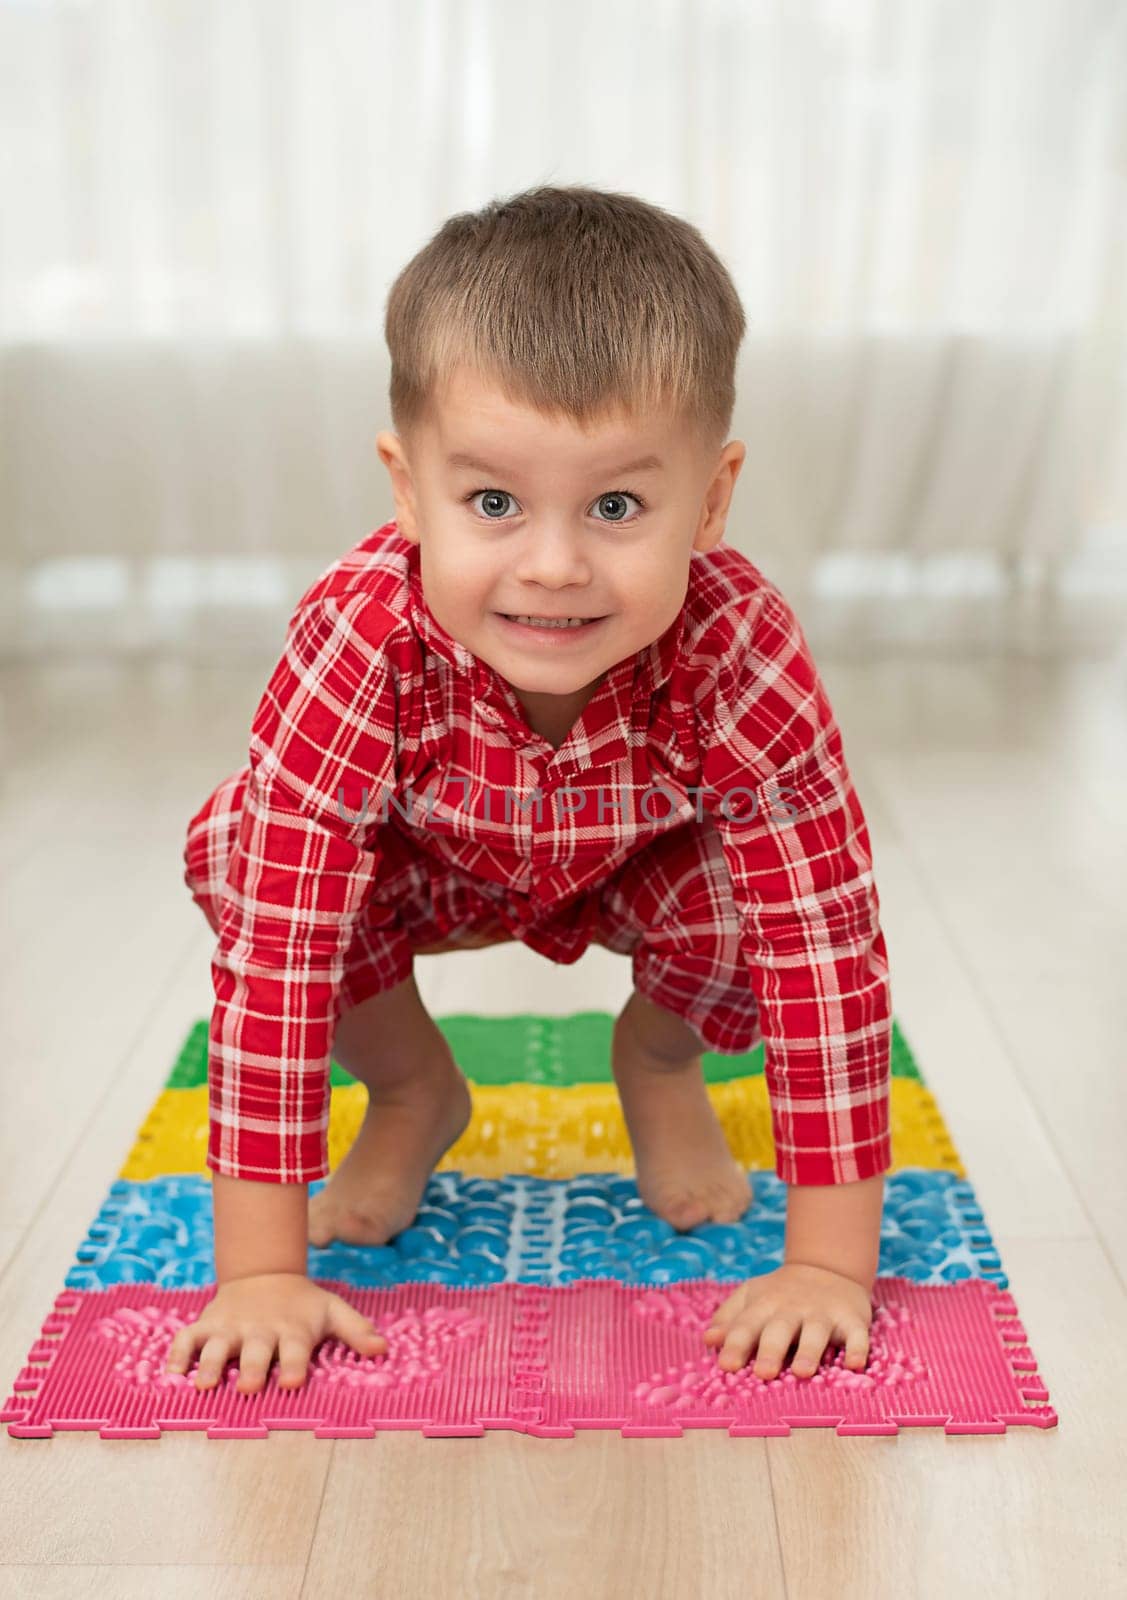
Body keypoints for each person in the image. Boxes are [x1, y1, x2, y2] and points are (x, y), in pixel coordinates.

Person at [165, 184, 891, 1398]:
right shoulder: (358, 640)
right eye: (492, 503)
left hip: (642, 878)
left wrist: (826, 1267)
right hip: (431, 870)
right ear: (408, 489)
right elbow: (283, 940)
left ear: (708, 500)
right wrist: (257, 1276)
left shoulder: (740, 650)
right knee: (238, 847)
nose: (553, 564)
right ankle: (410, 1085)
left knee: (765, 898)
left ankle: (656, 1062)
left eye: (616, 506)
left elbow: (821, 943)